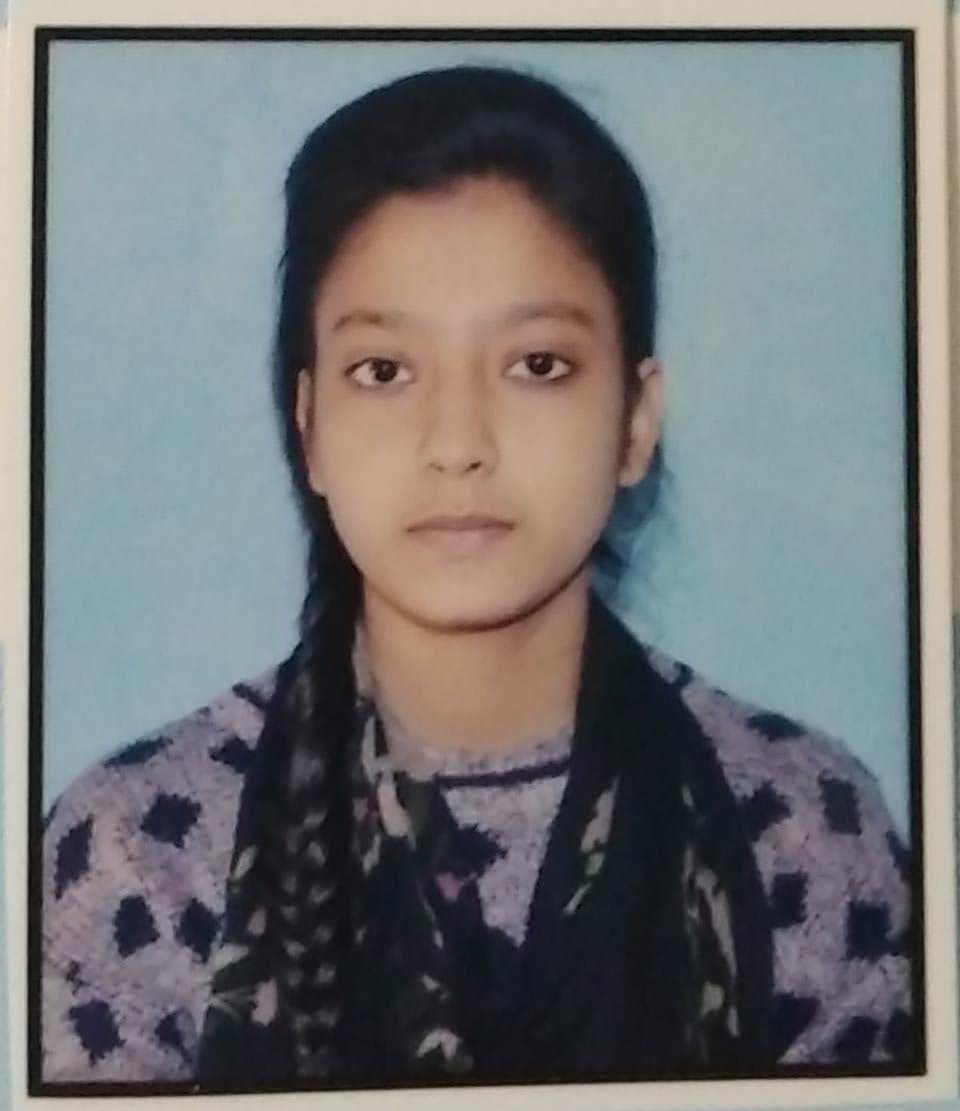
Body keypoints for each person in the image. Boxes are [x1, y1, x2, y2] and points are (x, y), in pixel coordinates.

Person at [41, 64, 913, 1088]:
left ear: (635, 421)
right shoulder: (142, 855)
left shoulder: (805, 830)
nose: (457, 443)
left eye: (537, 365)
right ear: (309, 426)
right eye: (383, 371)